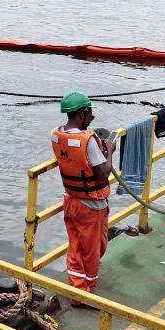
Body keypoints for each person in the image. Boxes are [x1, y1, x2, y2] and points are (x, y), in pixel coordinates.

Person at [46, 92, 114, 310]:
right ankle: (85, 293)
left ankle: (76, 288)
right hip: (91, 206)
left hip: (72, 200)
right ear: (83, 113)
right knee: (94, 248)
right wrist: (110, 151)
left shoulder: (56, 135)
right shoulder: (88, 141)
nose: (92, 119)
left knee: (76, 246)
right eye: (90, 113)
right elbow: (102, 173)